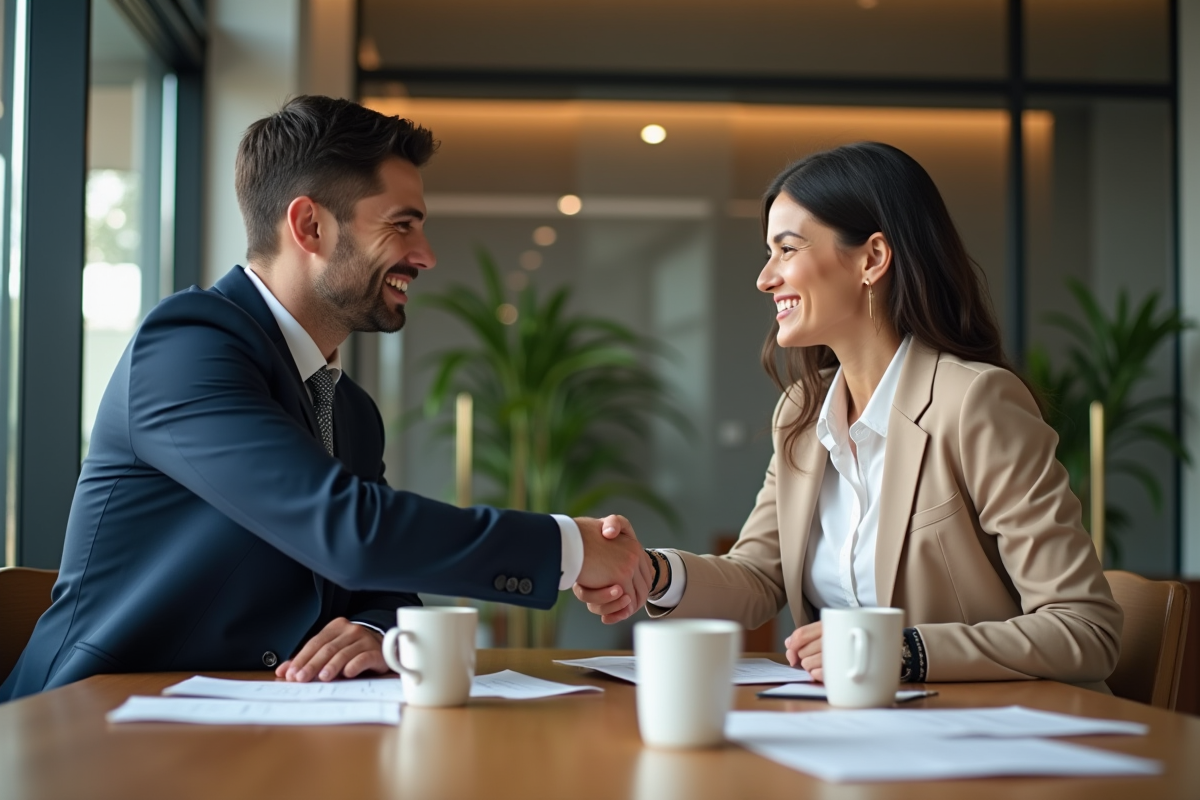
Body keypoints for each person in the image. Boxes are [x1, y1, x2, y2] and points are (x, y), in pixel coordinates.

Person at [1, 96, 650, 702]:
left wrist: (373, 630)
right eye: (402, 225)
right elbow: (348, 529)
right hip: (91, 720)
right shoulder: (185, 349)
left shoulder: (352, 412)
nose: (424, 256)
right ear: (309, 225)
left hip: (247, 729)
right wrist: (567, 547)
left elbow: (387, 585)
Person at [577, 142, 1122, 689]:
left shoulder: (974, 402)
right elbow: (758, 576)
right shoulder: (802, 412)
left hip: (987, 736)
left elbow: (1084, 628)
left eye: (786, 249)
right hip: (860, 733)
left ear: (872, 258)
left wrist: (899, 650)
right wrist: (651, 573)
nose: (766, 278)